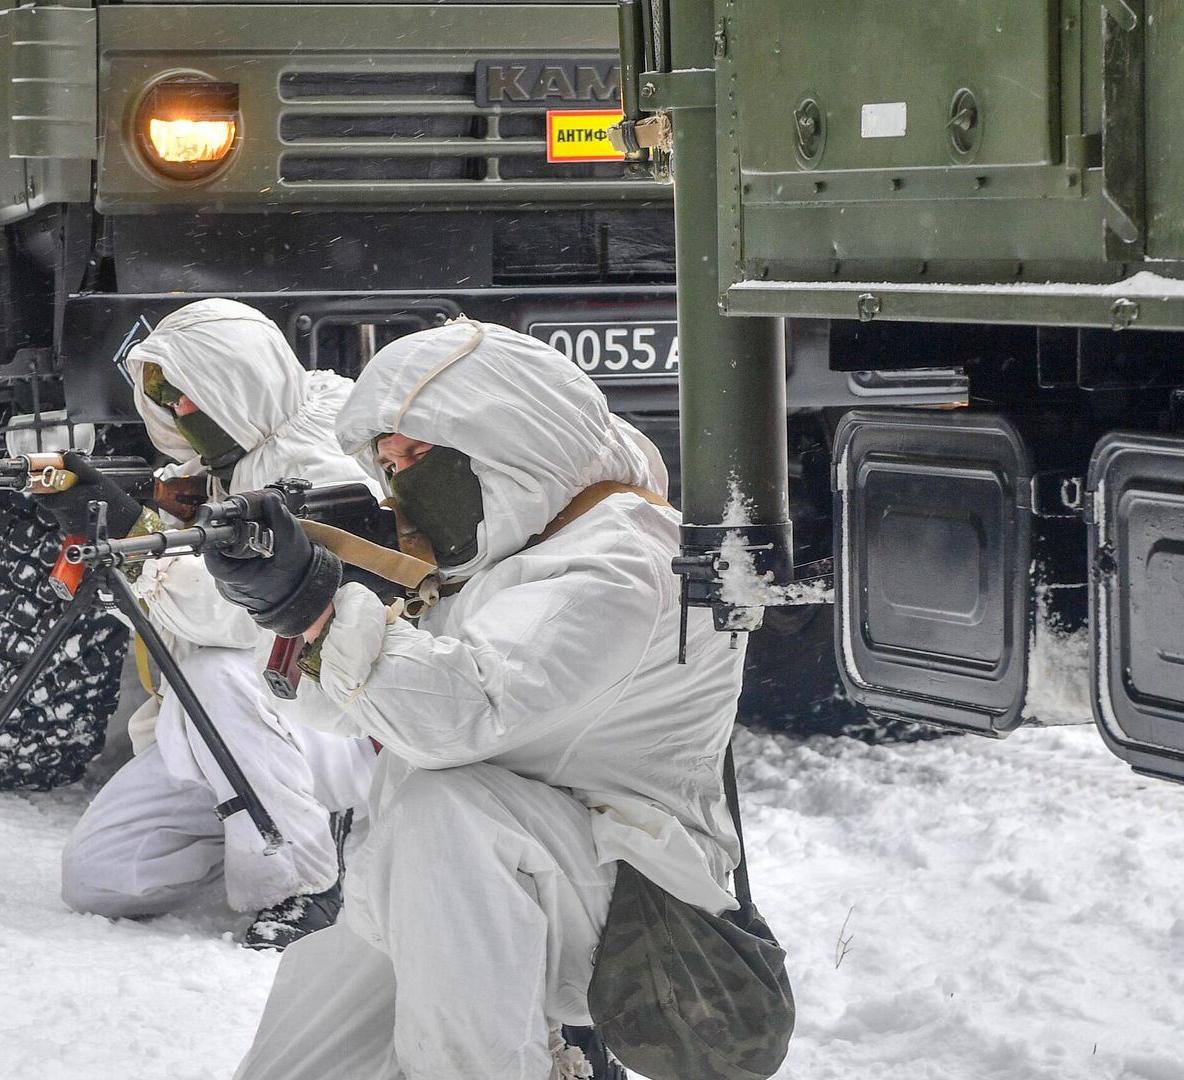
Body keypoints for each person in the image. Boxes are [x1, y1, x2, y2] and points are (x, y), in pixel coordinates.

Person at [206, 319, 749, 1078]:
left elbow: (458, 718)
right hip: (467, 885)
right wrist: (297, 613)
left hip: (626, 901)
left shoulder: (624, 561)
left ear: (500, 431)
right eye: (387, 464)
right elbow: (353, 710)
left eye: (418, 454)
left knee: (445, 818)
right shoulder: (520, 543)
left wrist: (322, 605)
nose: (402, 482)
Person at [51, 299, 379, 950]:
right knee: (101, 874)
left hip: (339, 715)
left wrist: (138, 541)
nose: (181, 415)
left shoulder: (318, 460)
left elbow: (244, 619)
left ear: (238, 386)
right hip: (240, 734)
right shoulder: (225, 459)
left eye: (191, 398)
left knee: (213, 674)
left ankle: (303, 883)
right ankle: (267, 817)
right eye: (170, 402)